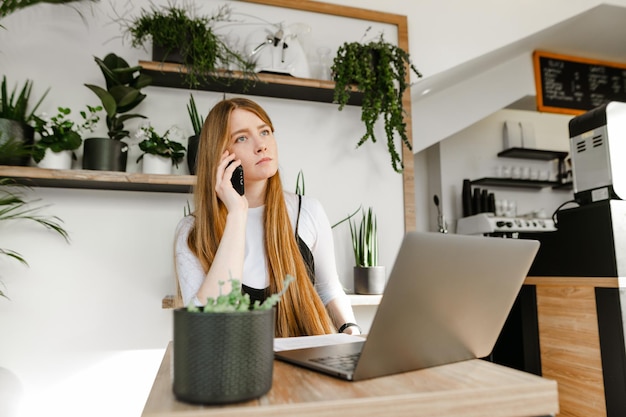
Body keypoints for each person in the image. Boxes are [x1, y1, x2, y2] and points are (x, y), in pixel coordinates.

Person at [174, 97, 360, 337]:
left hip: (304, 362)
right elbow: (206, 320)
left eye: (265, 132)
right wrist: (237, 214)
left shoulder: (307, 211)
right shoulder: (192, 231)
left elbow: (328, 289)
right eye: (241, 137)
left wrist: (350, 329)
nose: (261, 145)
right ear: (220, 155)